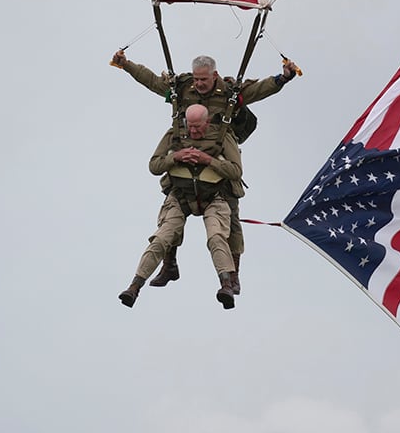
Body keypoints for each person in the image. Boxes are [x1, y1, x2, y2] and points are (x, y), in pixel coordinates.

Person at [111, 50, 298, 295]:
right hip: (185, 153)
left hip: (219, 152)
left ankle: (232, 276)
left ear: (215, 75)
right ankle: (169, 265)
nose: (198, 84)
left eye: (204, 80)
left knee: (229, 220)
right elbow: (153, 82)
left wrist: (283, 78)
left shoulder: (229, 93)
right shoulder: (183, 88)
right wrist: (126, 65)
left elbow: (258, 90)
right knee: (170, 216)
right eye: (196, 79)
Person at [119, 104, 242, 310]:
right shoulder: (174, 135)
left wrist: (208, 160)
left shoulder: (223, 136)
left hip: (214, 196)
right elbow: (154, 166)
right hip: (181, 196)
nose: (193, 131)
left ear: (207, 122)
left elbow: (236, 171)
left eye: (198, 127)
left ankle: (227, 285)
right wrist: (176, 157)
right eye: (190, 126)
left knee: (216, 237)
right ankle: (134, 287)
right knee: (162, 238)